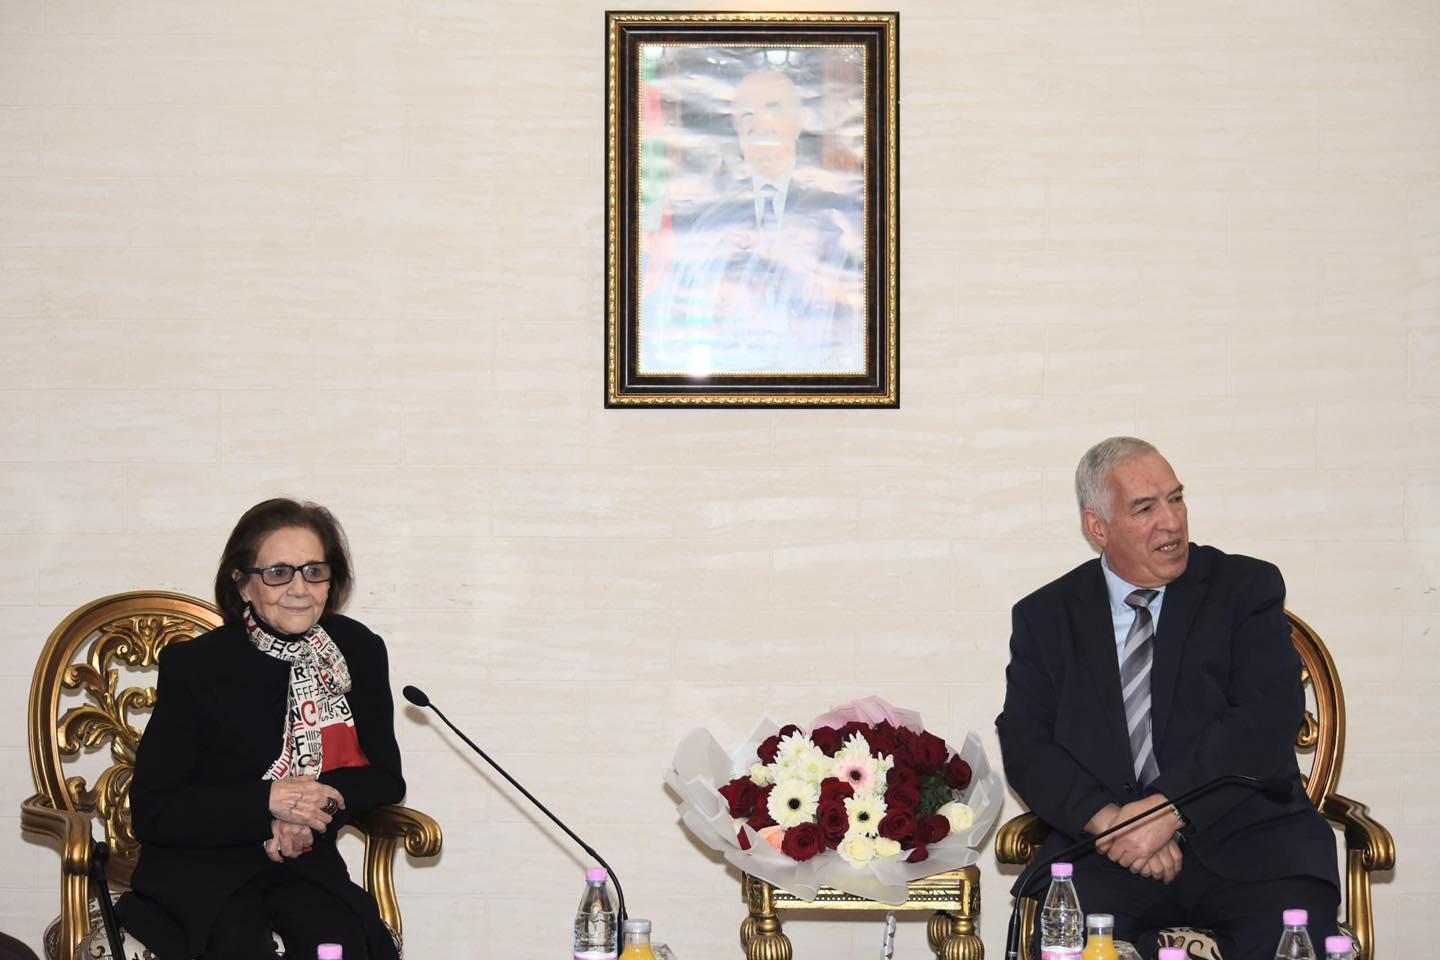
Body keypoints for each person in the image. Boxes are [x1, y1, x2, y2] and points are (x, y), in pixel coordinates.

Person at [996, 437, 1339, 960]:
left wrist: (1170, 810)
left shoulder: (1245, 588)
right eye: (1145, 508)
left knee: (1290, 940)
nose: (1172, 522)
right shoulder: (1046, 616)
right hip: (1110, 858)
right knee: (1072, 940)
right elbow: (1026, 742)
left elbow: (1266, 717)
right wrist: (1113, 823)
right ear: (1097, 528)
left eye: (1176, 499)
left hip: (1253, 850)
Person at [116, 499, 404, 959]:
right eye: (278, 573)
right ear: (243, 584)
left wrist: (313, 808)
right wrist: (269, 801)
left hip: (302, 859)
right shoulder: (196, 666)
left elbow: (384, 777)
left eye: (314, 572)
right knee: (239, 946)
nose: (299, 589)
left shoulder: (356, 651)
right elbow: (156, 809)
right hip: (202, 865)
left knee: (340, 941)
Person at [640, 66, 865, 375]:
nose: (759, 126)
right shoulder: (705, 217)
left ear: (799, 120)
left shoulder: (841, 214)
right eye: (747, 116)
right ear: (737, 129)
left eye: (773, 109)